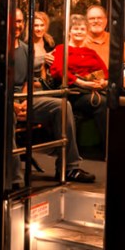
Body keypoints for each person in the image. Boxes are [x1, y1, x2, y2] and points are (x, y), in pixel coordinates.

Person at [9, 10, 93, 183]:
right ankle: (13, 177)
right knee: (6, 115)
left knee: (62, 106)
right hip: (3, 100)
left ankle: (69, 167)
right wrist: (12, 104)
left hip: (25, 98)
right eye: (13, 21)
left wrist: (25, 101)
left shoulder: (26, 49)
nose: (16, 25)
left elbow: (27, 81)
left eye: (19, 21)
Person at [49, 17, 109, 159]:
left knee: (112, 101)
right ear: (69, 31)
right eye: (75, 28)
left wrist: (103, 82)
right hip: (71, 91)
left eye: (82, 29)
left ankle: (108, 147)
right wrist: (81, 83)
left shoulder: (90, 52)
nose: (79, 32)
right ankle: (107, 149)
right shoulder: (62, 49)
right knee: (102, 102)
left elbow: (105, 72)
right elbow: (58, 71)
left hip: (90, 90)